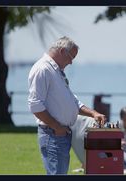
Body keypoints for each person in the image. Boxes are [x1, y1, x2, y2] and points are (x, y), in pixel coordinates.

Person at [28, 36, 106, 175]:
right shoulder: (43, 69)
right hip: (53, 133)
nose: (71, 62)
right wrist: (57, 127)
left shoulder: (56, 70)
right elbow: (35, 105)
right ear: (62, 51)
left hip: (60, 133)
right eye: (71, 57)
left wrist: (94, 113)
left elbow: (73, 102)